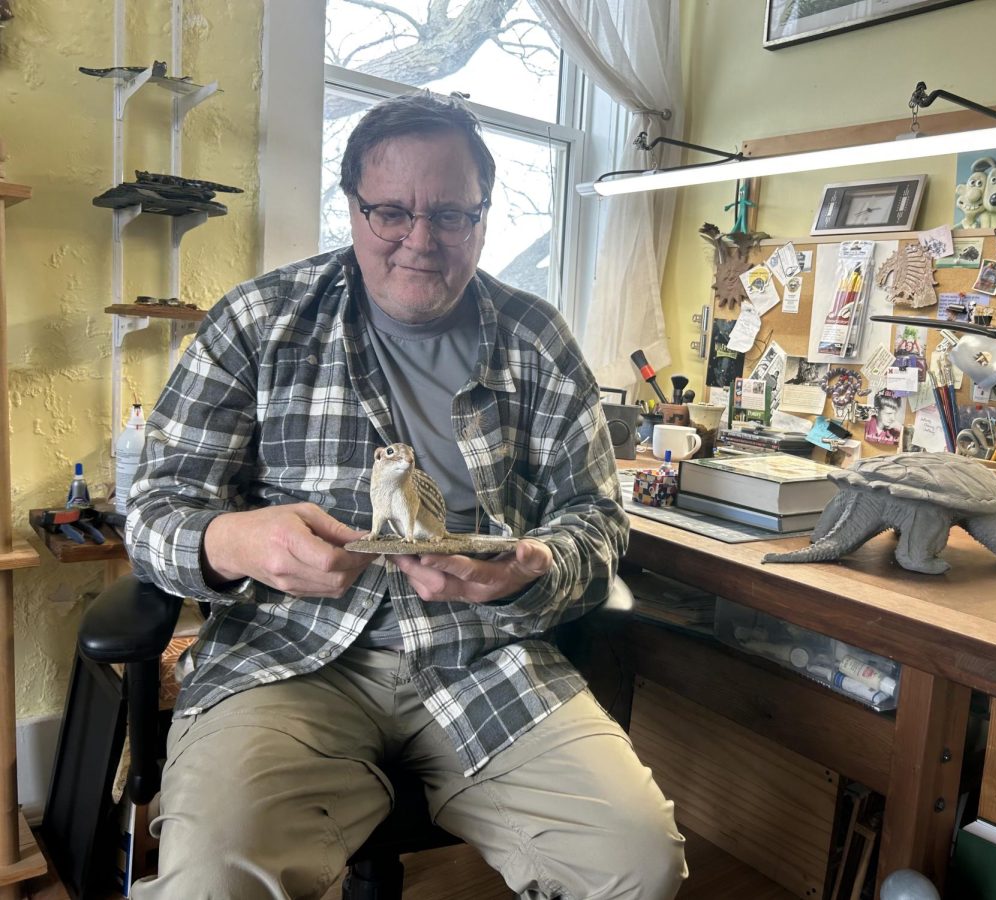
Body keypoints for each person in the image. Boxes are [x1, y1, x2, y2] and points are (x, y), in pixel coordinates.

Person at [125, 91, 686, 900]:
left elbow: (598, 523)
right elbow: (150, 512)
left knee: (638, 862)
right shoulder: (259, 321)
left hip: (484, 653)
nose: (420, 242)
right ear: (351, 207)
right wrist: (235, 543)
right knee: (212, 880)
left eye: (452, 215)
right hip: (288, 658)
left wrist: (532, 566)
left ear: (483, 215)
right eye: (390, 212)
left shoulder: (537, 339)